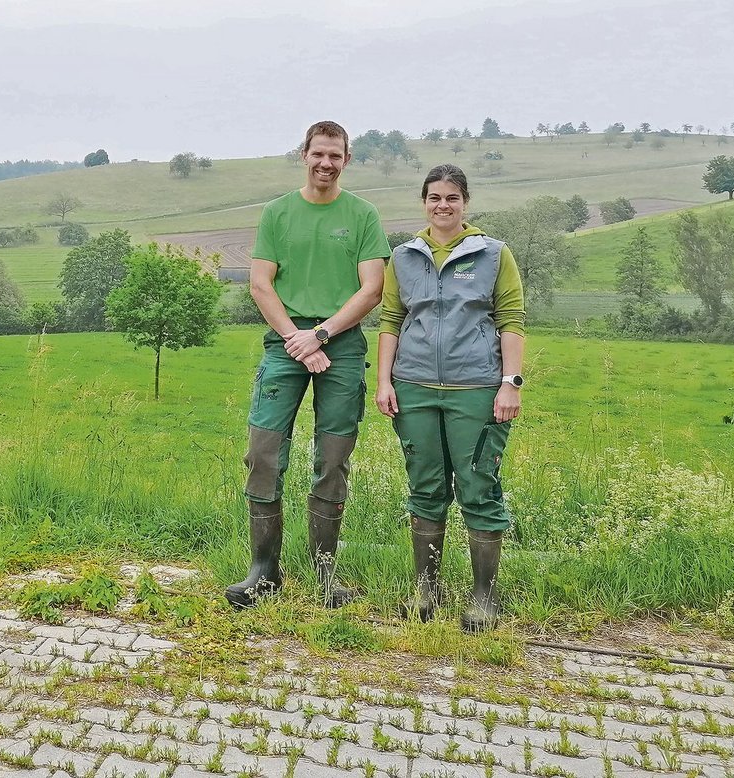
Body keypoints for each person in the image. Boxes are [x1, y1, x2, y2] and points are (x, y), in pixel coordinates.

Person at [225, 120, 389, 609]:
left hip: (340, 344)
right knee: (263, 450)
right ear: (305, 154)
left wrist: (320, 335)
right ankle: (264, 569)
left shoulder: (363, 215)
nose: (326, 163)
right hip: (285, 341)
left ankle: (324, 573)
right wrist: (296, 339)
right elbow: (260, 285)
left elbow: (372, 288)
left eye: (335, 155)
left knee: (333, 456)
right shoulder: (278, 213)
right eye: (318, 153)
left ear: (347, 159)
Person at [375, 164, 525, 632]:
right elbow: (390, 320)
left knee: (479, 486)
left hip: (477, 389)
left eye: (452, 198)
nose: (443, 205)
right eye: (435, 197)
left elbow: (512, 320)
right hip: (414, 387)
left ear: (465, 202)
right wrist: (384, 382)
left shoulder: (494, 254)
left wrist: (510, 382)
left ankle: (485, 596)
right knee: (425, 486)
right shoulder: (403, 256)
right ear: (424, 202)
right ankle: (426, 588)